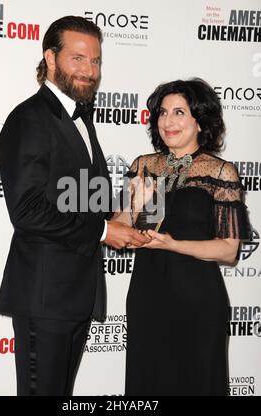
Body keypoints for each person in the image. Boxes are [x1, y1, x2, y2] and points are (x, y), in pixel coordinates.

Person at [0, 15, 148, 396]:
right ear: (50, 58)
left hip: (77, 296)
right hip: (45, 297)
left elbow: (84, 206)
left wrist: (132, 204)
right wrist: (103, 230)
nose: (89, 70)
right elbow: (28, 210)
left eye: (95, 61)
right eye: (78, 58)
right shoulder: (30, 119)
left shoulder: (82, 120)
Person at [114, 78, 251, 395]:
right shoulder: (144, 166)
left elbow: (229, 250)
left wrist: (174, 244)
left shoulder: (220, 171)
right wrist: (133, 206)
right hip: (147, 298)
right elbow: (122, 229)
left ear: (200, 120)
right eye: (162, 113)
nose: (167, 121)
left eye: (179, 112)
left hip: (197, 302)